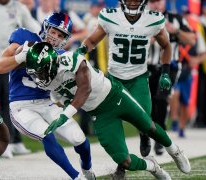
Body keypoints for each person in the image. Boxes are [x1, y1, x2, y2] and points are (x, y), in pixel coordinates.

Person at [27, 42, 191, 180]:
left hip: (114, 96)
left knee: (149, 126)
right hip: (99, 114)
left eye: (40, 71)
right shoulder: (48, 84)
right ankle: (153, 166)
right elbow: (64, 99)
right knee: (123, 160)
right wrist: (62, 109)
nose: (39, 77)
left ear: (50, 64)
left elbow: (85, 89)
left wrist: (65, 115)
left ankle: (175, 151)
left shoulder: (71, 60)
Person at [0, 12, 95, 180]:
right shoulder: (25, 38)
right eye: (53, 31)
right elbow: (0, 66)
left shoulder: (61, 55)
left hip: (46, 104)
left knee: (80, 139)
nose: (54, 37)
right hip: (22, 107)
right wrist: (21, 56)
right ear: (45, 27)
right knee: (46, 135)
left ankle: (87, 170)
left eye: (60, 35)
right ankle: (76, 177)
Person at [76, 0, 173, 159]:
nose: (133, 3)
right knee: (113, 119)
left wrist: (166, 72)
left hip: (138, 78)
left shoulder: (153, 19)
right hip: (115, 78)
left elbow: (166, 45)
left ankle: (144, 135)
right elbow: (92, 40)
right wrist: (80, 52)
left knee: (145, 118)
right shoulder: (110, 17)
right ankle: (122, 158)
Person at [0, 0, 39, 157]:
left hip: (12, 61)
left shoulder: (19, 8)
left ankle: (12, 141)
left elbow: (35, 28)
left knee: (8, 101)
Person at [146, 0, 196, 154]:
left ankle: (160, 137)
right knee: (148, 103)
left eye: (158, 1)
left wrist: (176, 31)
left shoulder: (176, 18)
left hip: (170, 67)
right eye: (152, 2)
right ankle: (147, 135)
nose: (156, 5)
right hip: (146, 67)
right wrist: (150, 39)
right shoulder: (143, 19)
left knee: (162, 98)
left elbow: (192, 40)